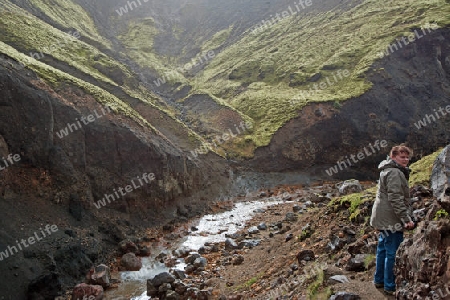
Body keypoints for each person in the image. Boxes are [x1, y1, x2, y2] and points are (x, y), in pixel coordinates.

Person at [370, 144, 415, 295]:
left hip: (383, 216)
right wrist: (405, 218)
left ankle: (379, 280)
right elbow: (395, 198)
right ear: (393, 156)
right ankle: (390, 285)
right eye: (402, 157)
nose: (406, 160)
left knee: (383, 247)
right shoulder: (395, 172)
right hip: (390, 218)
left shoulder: (387, 169)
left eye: (407, 157)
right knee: (392, 251)